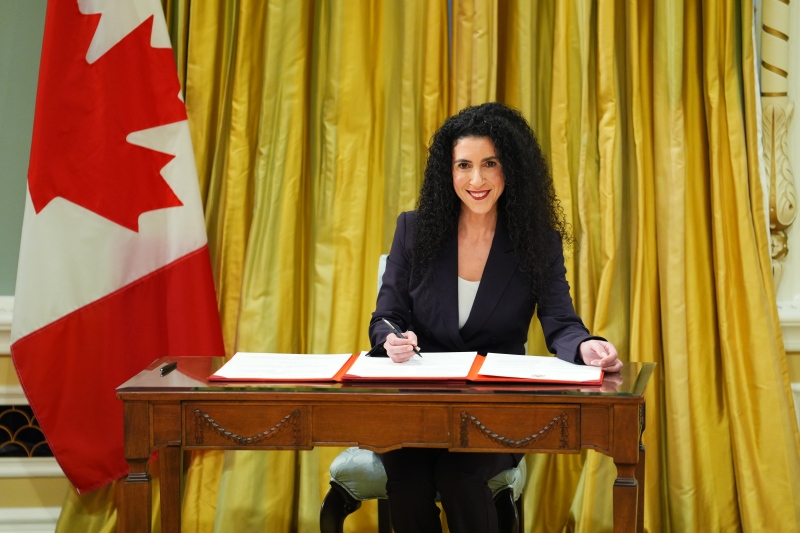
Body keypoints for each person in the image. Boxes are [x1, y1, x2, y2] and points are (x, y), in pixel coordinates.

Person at [369, 102, 623, 533]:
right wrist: (391, 340)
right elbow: (387, 316)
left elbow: (560, 322)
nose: (476, 180)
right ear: (446, 173)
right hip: (419, 404)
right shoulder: (414, 229)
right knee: (408, 483)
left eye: (490, 163)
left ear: (512, 167)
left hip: (495, 408)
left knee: (459, 478)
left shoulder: (536, 241)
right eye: (463, 165)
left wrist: (585, 346)